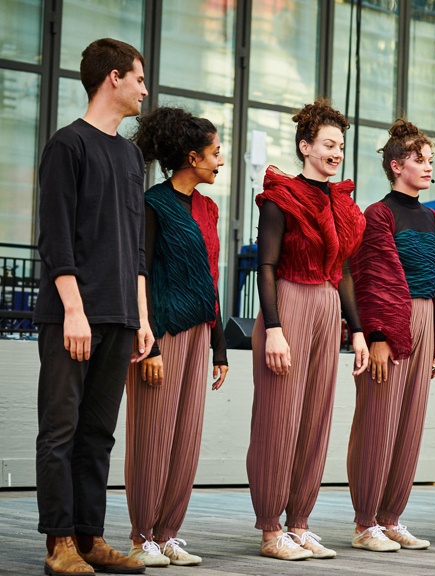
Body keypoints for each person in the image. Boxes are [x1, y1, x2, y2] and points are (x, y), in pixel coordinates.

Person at [34, 38, 151, 576]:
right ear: (113, 78)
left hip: (122, 316)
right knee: (60, 430)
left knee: (98, 434)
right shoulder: (67, 146)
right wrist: (74, 311)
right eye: (139, 78)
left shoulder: (130, 156)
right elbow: (55, 239)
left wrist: (143, 317)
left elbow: (137, 248)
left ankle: (90, 536)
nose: (144, 89)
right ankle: (59, 542)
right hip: (72, 315)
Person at [246, 99, 369, 561]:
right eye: (328, 144)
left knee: (316, 420)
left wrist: (356, 331)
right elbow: (266, 266)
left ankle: (299, 522)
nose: (336, 152)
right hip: (290, 303)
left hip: (327, 305)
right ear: (305, 146)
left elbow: (346, 272)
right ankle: (269, 527)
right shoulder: (280, 196)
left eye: (340, 145)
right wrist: (274, 328)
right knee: (278, 419)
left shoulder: (342, 203)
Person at [347, 119, 435, 552]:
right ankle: (366, 522)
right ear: (395, 164)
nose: (427, 167)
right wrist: (378, 334)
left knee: (410, 423)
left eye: (430, 161)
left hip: (424, 320)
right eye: (419, 160)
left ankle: (392, 517)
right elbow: (373, 280)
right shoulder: (377, 214)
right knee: (377, 422)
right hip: (390, 323)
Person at [123, 107, 230, 566]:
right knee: (153, 438)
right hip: (160, 335)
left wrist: (219, 345)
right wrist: (152, 343)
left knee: (186, 437)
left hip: (200, 332)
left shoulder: (209, 208)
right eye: (215, 152)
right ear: (192, 157)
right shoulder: (153, 204)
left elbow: (210, 276)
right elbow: (139, 273)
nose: (220, 161)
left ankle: (168, 533)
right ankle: (140, 535)